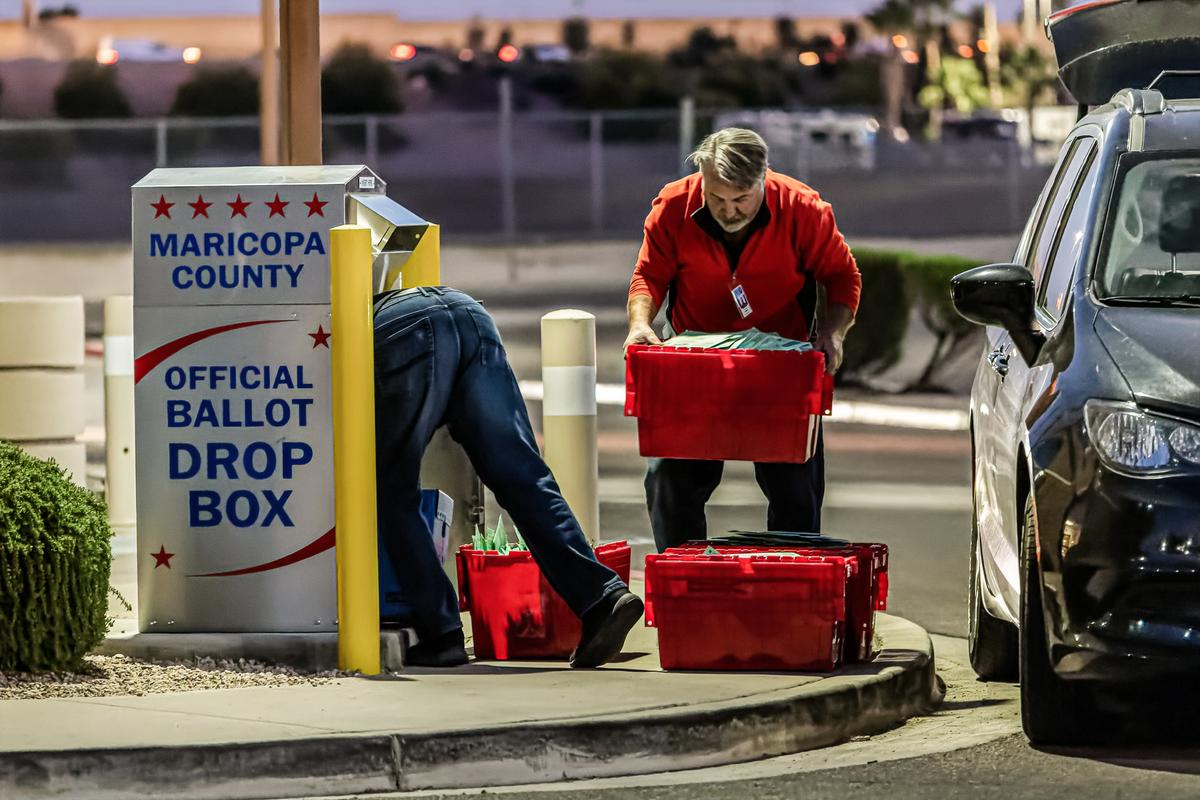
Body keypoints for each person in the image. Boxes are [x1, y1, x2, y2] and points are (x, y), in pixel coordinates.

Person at [374, 286, 644, 668]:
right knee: (522, 474)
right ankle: (602, 596)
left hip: (397, 329)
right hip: (468, 312)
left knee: (390, 492)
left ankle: (440, 631)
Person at [624, 127, 862, 552]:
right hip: (693, 363)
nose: (728, 210)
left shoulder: (803, 208)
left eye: (741, 199)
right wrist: (640, 323)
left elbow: (843, 277)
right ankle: (683, 579)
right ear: (703, 179)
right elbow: (648, 276)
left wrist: (833, 333)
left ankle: (790, 586)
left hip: (780, 368)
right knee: (670, 483)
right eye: (717, 199)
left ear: (762, 180)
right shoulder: (674, 204)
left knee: (796, 491)